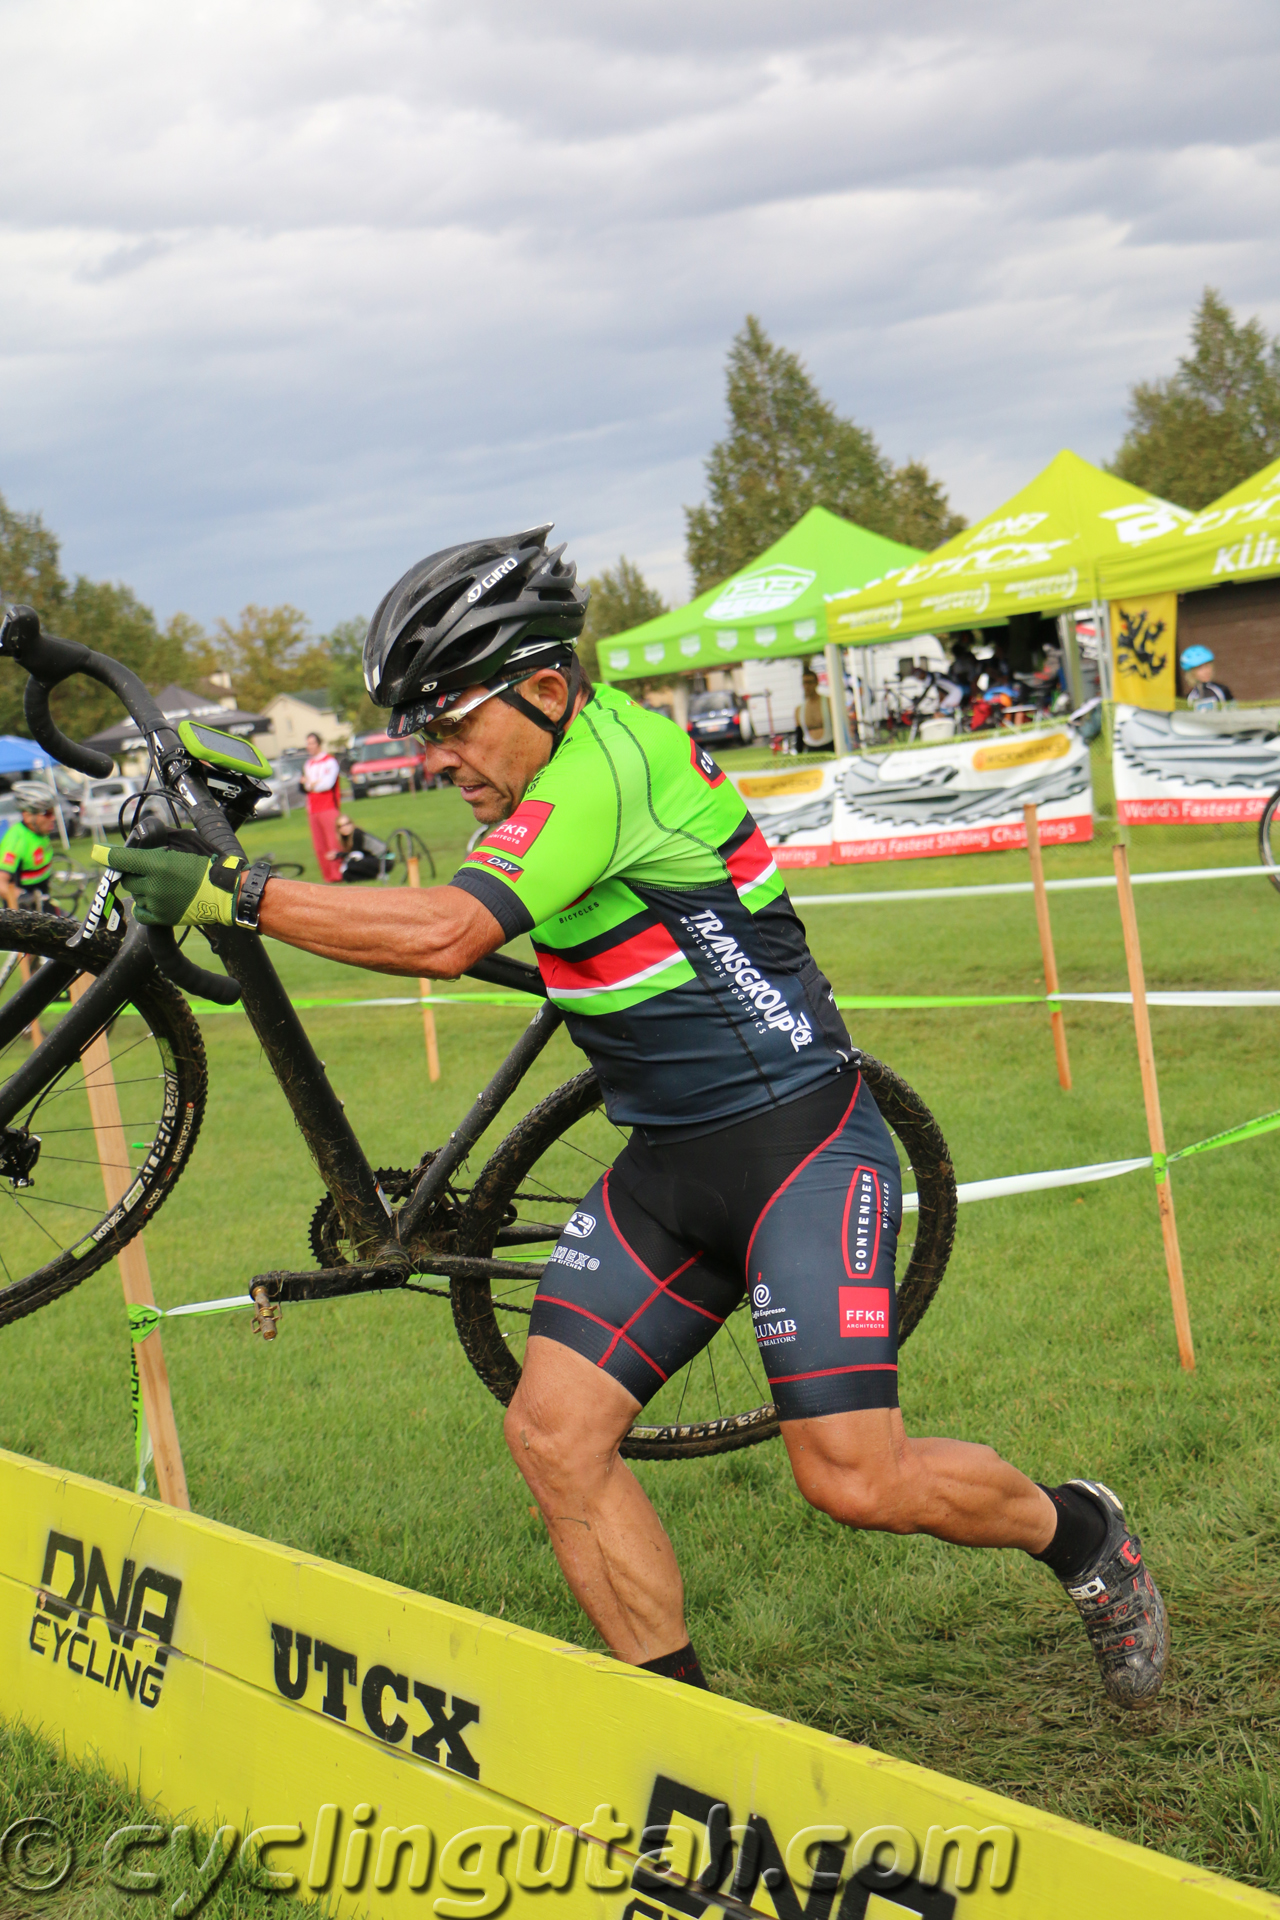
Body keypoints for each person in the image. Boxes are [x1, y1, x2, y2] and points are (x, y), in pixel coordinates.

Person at [97, 524, 1168, 1710]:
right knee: (553, 1440)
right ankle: (690, 1737)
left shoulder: (604, 770)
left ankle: (1076, 1534)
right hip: (665, 1171)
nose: (440, 757)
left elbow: (445, 935)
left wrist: (231, 889)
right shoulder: (557, 779)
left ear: (546, 688)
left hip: (799, 1155)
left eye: (453, 723)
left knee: (853, 1480)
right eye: (423, 733)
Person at [0, 780, 58, 909]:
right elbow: (1, 882)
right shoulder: (16, 840)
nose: (53, 818)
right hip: (24, 913)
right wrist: (22, 897)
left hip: (43, 903)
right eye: (47, 814)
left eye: (53, 812)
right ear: (27, 816)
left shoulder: (40, 833)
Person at [301, 732, 343, 882]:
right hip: (313, 808)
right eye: (308, 743)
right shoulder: (308, 764)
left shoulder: (329, 761)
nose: (309, 746)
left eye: (312, 743)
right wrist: (312, 784)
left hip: (328, 806)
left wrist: (312, 784)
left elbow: (327, 784)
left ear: (318, 744)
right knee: (319, 845)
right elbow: (306, 785)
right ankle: (328, 876)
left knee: (333, 841)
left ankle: (339, 873)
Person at [335, 812, 390, 883]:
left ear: (352, 823)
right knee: (347, 874)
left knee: (352, 864)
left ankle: (380, 874)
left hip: (385, 859)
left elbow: (356, 854)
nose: (345, 827)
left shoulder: (357, 833)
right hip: (371, 860)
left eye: (347, 824)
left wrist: (338, 855)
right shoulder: (346, 838)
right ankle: (375, 876)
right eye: (341, 826)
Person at [1180, 644, 1233, 711]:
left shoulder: (1221, 690)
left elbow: (1233, 713)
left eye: (1207, 666)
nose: (1206, 671)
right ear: (1191, 673)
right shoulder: (1190, 697)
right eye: (1200, 668)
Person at [793, 670, 833, 752]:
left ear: (816, 683)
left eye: (810, 682)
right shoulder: (799, 710)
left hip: (830, 746)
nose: (807, 686)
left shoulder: (829, 703)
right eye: (805, 683)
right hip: (811, 749)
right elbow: (799, 736)